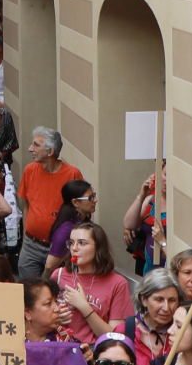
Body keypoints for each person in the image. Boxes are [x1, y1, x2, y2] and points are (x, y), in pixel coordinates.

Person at [50, 223, 134, 344]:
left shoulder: (117, 283)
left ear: (98, 248)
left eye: (82, 243)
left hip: (95, 350)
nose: (74, 248)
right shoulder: (58, 275)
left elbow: (115, 337)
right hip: (61, 347)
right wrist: (57, 320)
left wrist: (84, 307)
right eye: (72, 243)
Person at [17, 127, 83, 279]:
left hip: (59, 249)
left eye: (36, 145)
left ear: (50, 152)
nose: (30, 149)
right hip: (30, 245)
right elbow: (27, 204)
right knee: (27, 293)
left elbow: (83, 211)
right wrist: (25, 238)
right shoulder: (29, 170)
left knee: (54, 292)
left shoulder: (72, 174)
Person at [126, 269, 182, 365]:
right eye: (159, 299)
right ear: (144, 299)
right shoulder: (125, 331)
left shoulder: (184, 334)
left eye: (172, 300)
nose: (166, 308)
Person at [44, 180, 96, 274]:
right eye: (90, 198)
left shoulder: (82, 220)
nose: (95, 200)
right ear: (75, 203)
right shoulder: (66, 230)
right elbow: (50, 266)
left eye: (94, 195)